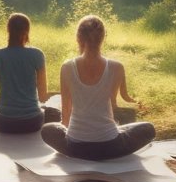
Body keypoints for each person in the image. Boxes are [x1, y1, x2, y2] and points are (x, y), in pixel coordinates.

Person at [39, 15, 155, 161]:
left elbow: (66, 109)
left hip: (75, 147)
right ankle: (108, 142)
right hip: (110, 146)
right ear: (103, 38)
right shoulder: (116, 67)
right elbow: (114, 103)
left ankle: (85, 148)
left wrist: (69, 132)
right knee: (148, 128)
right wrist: (137, 103)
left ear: (78, 38)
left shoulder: (67, 67)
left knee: (47, 130)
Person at [0, 12, 61, 133]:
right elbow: (43, 96)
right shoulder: (37, 54)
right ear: (27, 31)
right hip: (33, 123)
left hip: (5, 123)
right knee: (56, 112)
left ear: (8, 30)